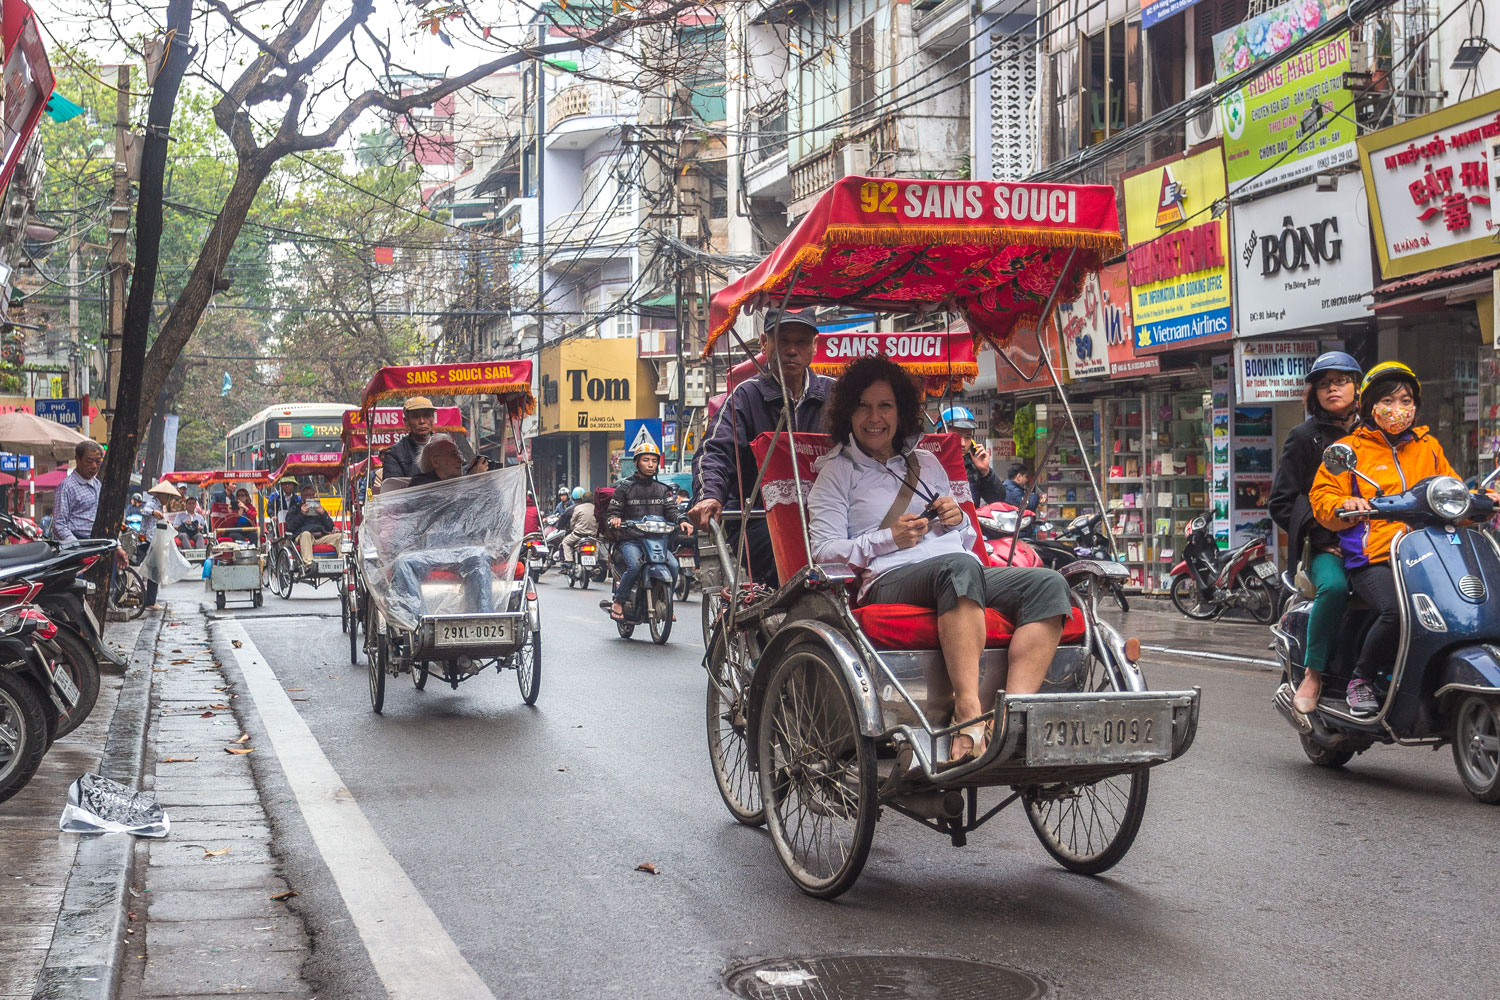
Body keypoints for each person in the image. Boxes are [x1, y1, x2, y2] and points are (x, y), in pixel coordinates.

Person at [808, 356, 1071, 764]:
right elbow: (823, 550)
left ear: (902, 412)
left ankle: (1008, 723)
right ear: (848, 412)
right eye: (863, 406)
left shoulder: (927, 464)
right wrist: (886, 539)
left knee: (1049, 584)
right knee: (960, 569)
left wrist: (957, 518)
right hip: (889, 579)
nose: (874, 417)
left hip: (957, 570)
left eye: (885, 406)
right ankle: (968, 716)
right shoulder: (837, 472)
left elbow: (965, 539)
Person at [1310, 361, 1459, 714]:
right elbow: (1322, 498)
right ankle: (1359, 679)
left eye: (1406, 401)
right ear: (1369, 406)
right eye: (1388, 401)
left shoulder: (1428, 447)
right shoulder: (1349, 450)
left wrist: (1480, 498)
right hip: (1374, 556)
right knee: (1398, 611)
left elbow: (1449, 487)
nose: (1398, 410)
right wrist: (1344, 502)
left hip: (1429, 553)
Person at [692, 309, 833, 585]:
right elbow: (715, 452)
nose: (792, 350)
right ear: (764, 344)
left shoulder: (835, 395)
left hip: (830, 519)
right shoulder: (745, 397)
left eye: (801, 342)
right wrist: (710, 494)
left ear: (815, 346)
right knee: (791, 565)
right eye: (782, 340)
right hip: (758, 520)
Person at [1269, 351, 1362, 715]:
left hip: (1380, 542)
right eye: (1323, 384)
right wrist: (1323, 536)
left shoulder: (1374, 434)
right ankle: (1313, 673)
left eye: (1340, 381)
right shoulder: (1304, 437)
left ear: (1357, 387)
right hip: (1327, 548)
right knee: (1335, 587)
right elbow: (1281, 502)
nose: (1332, 389)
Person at [387, 434, 495, 623]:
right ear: (435, 462)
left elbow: (493, 513)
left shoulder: (470, 483)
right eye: (454, 455)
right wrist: (471, 480)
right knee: (402, 563)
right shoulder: (420, 483)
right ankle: (418, 626)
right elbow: (440, 501)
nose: (460, 460)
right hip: (428, 551)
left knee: (481, 556)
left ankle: (483, 623)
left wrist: (482, 481)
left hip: (465, 549)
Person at [606, 441, 692, 620]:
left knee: (674, 566)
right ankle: (618, 601)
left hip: (656, 540)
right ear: (636, 462)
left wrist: (682, 520)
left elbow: (672, 511)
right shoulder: (624, 488)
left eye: (654, 460)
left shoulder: (663, 490)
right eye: (646, 460)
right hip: (631, 539)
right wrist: (615, 519)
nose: (651, 464)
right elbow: (613, 512)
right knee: (635, 566)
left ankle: (665, 603)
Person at [940, 405, 1007, 506]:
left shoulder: (973, 465)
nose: (962, 443)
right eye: (956, 437)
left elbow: (997, 500)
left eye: (967, 437)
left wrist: (985, 472)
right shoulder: (926, 464)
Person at [53, 440, 105, 542]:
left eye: (98, 462)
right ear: (78, 459)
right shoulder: (67, 487)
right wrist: (76, 545)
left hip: (97, 542)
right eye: (89, 462)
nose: (94, 466)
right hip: (78, 543)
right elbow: (59, 525)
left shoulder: (97, 484)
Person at [381, 397, 439, 480]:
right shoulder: (395, 454)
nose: (422, 421)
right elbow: (392, 486)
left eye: (426, 415)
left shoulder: (446, 445)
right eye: (415, 417)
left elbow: (462, 471)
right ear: (406, 422)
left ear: (433, 418)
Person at [285, 481, 341, 567]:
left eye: (312, 495)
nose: (310, 497)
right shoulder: (295, 508)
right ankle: (309, 565)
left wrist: (323, 513)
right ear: (302, 497)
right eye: (307, 495)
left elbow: (330, 527)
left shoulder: (318, 508)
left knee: (341, 536)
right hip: (303, 536)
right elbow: (290, 527)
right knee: (306, 534)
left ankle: (343, 563)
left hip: (320, 537)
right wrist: (302, 514)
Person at [560, 487, 598, 565]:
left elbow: (572, 523)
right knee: (597, 546)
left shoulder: (577, 508)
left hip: (578, 535)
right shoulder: (596, 508)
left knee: (565, 542)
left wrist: (573, 528)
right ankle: (596, 560)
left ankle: (569, 561)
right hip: (592, 536)